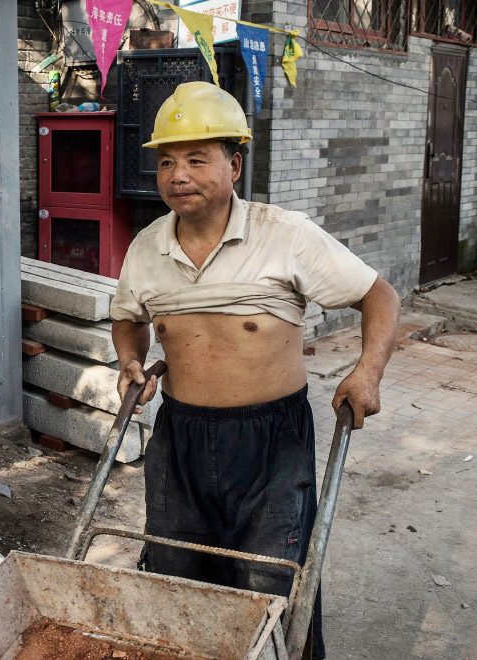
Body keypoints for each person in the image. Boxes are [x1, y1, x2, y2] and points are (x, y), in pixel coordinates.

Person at [110, 81, 400, 660]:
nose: (178, 175)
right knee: (176, 579)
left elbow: (379, 296)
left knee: (276, 584)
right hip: (180, 438)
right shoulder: (146, 246)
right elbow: (128, 317)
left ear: (234, 164)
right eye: (167, 161)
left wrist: (367, 371)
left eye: (197, 159)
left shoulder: (284, 234)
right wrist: (129, 359)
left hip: (272, 442)